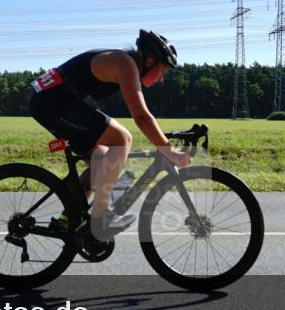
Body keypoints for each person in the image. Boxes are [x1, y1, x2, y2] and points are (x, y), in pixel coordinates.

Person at [30, 30, 192, 239]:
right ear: (149, 61)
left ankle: (68, 220)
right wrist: (169, 151)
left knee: (102, 159)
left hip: (53, 101)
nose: (162, 79)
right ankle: (100, 218)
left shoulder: (124, 62)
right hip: (54, 103)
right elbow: (141, 116)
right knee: (122, 138)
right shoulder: (125, 64)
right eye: (162, 71)